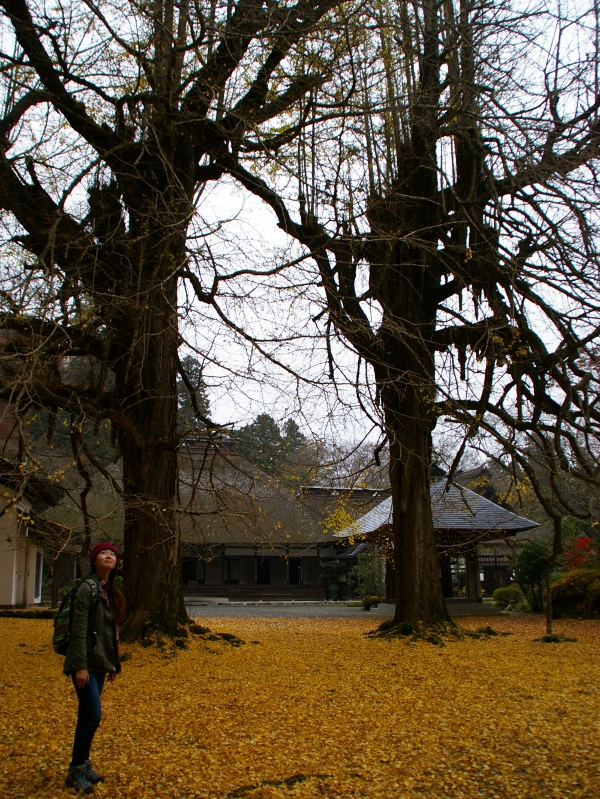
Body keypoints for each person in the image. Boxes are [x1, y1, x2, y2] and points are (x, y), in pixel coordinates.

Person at [63, 542, 126, 793]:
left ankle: (83, 763)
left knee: (87, 716)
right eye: (103, 553)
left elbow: (110, 632)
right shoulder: (87, 588)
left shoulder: (109, 590)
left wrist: (111, 664)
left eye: (112, 554)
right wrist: (80, 666)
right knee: (93, 716)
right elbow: (79, 629)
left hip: (99, 662)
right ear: (93, 560)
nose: (108, 556)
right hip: (85, 663)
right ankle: (76, 769)